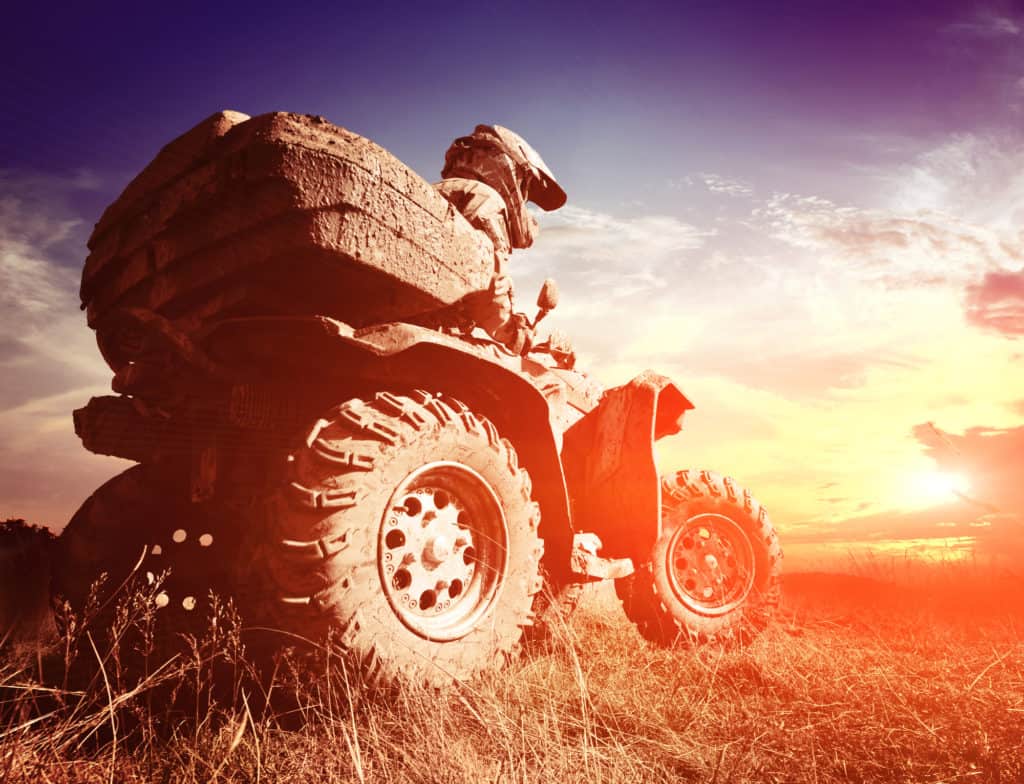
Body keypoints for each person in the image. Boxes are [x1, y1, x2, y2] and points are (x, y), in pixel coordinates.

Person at [434, 125, 566, 354]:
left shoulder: (439, 191)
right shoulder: (485, 199)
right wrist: (514, 333)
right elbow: (488, 285)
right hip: (437, 333)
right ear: (510, 169)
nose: (523, 200)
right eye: (525, 187)